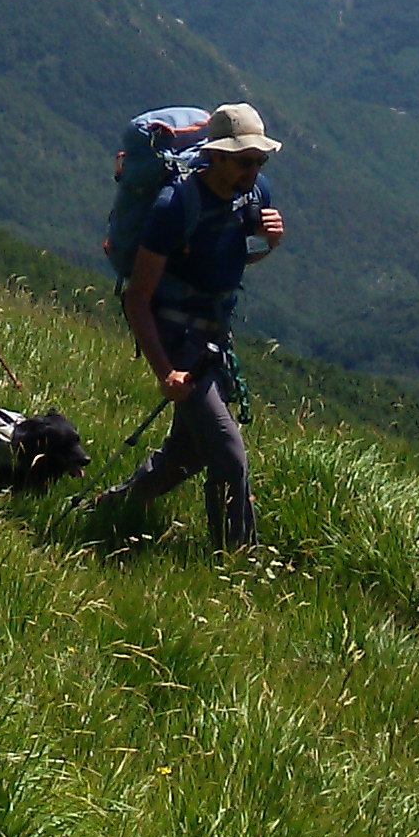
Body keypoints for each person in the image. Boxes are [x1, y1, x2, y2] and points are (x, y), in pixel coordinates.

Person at [81, 104, 288, 553]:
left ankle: (112, 507)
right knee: (229, 456)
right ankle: (235, 565)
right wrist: (164, 372)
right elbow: (138, 297)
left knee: (191, 451)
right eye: (244, 160)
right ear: (216, 157)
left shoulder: (254, 194)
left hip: (213, 334)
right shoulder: (173, 205)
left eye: (260, 160)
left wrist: (268, 244)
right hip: (177, 337)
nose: (254, 169)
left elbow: (231, 258)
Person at [103, 103, 243, 271]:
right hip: (168, 286)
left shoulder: (240, 185)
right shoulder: (172, 203)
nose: (255, 168)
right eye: (248, 161)